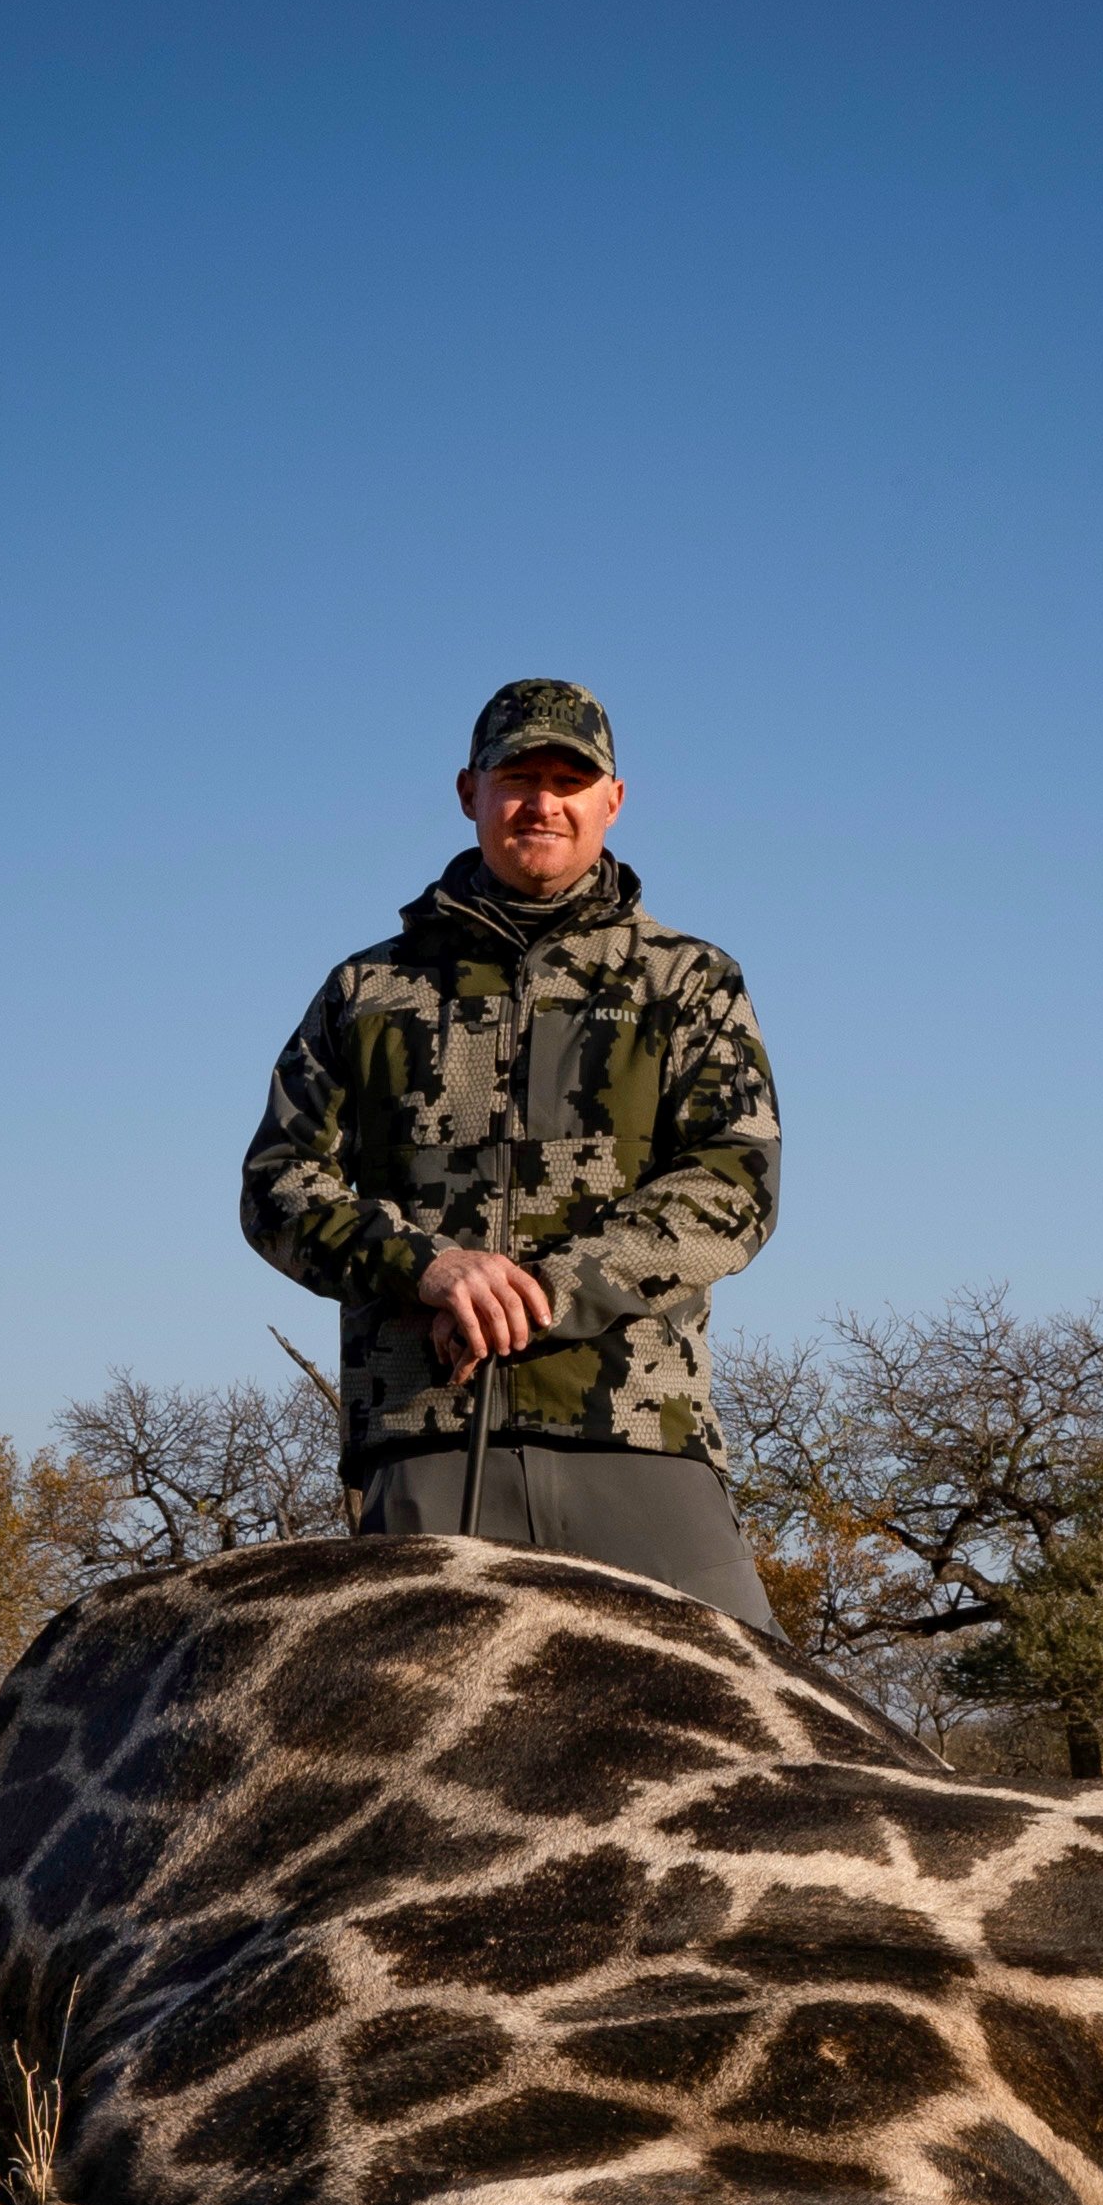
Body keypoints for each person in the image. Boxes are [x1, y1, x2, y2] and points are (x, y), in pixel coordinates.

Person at [241, 678, 783, 1628]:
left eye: (570, 780)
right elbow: (279, 1185)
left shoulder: (688, 980)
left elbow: (735, 1183)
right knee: (394, 1750)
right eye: (517, 776)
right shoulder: (366, 988)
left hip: (635, 1430)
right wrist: (430, 1268)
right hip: (423, 1436)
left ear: (612, 801)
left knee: (778, 1741)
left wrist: (553, 1288)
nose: (543, 802)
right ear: (469, 792)